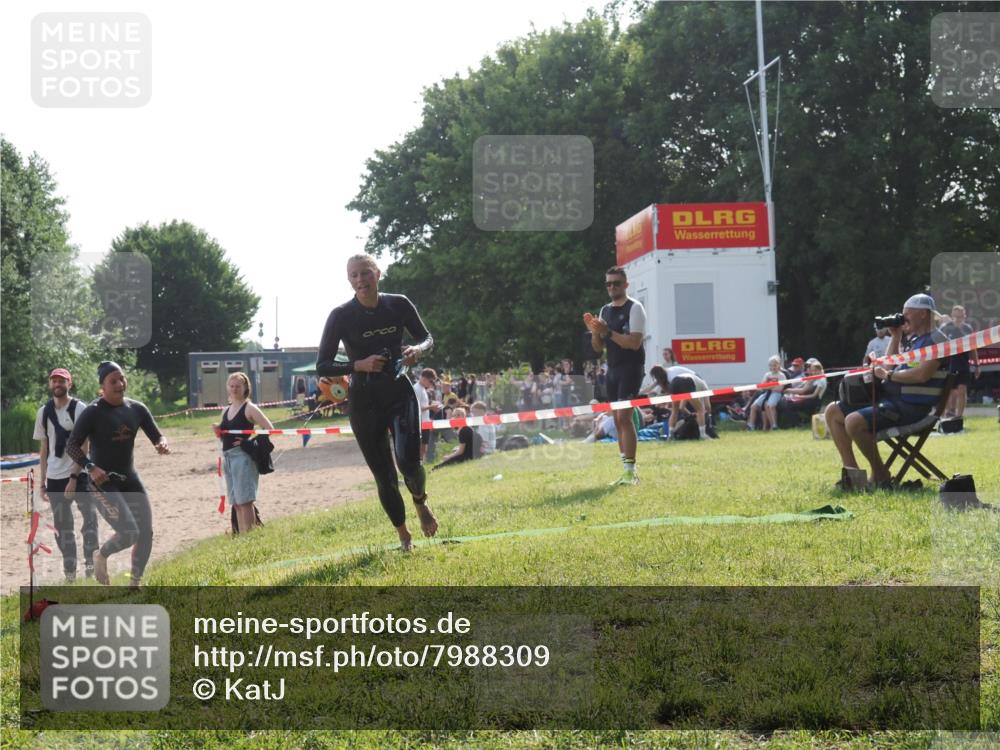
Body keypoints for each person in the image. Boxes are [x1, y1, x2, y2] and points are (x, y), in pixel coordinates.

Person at [316, 253, 437, 552]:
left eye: (365, 273)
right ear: (349, 280)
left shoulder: (398, 304)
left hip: (398, 391)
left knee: (409, 462)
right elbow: (323, 365)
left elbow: (427, 338)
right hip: (364, 401)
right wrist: (359, 364)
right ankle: (404, 536)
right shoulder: (341, 315)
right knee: (384, 477)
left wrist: (417, 351)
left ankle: (420, 501)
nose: (360, 280)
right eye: (354, 275)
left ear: (377, 274)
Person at [824, 293, 950, 488]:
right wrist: (896, 336)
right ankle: (853, 477)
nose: (903, 316)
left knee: (854, 421)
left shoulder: (937, 340)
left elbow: (921, 375)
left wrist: (888, 376)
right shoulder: (915, 340)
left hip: (912, 408)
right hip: (892, 401)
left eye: (907, 313)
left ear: (923, 314)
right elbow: (890, 366)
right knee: (832, 411)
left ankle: (881, 474)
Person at [65, 361, 170, 587]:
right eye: (113, 381)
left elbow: (157, 435)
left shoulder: (137, 409)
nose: (120, 384)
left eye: (122, 378)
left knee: (145, 533)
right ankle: (100, 556)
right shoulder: (93, 412)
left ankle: (135, 583)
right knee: (129, 532)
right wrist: (90, 467)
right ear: (102, 387)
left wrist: (162, 444)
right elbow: (72, 446)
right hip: (102, 482)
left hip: (130, 479)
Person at [33, 368, 98, 582]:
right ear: (50, 384)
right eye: (54, 380)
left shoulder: (80, 409)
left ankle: (91, 564)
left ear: (69, 384)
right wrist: (42, 483)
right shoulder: (43, 412)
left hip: (78, 475)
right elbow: (44, 449)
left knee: (90, 520)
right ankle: (70, 571)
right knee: (62, 527)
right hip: (54, 478)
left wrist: (73, 477)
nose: (57, 384)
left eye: (62, 380)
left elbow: (84, 446)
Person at [584, 265, 646, 485]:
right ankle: (626, 470)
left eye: (616, 283)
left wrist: (607, 332)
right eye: (608, 283)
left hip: (631, 367)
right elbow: (598, 348)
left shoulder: (635, 307)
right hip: (613, 369)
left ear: (626, 285)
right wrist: (595, 332)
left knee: (624, 418)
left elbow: (634, 342)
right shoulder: (605, 310)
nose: (611, 287)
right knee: (616, 420)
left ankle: (631, 471)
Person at [214, 372, 275, 534]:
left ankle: (250, 538)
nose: (234, 389)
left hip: (243, 458)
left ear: (245, 388)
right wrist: (218, 431)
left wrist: (250, 443)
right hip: (228, 458)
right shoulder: (225, 410)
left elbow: (270, 429)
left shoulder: (250, 408)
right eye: (232, 386)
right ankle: (242, 538)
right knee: (236, 502)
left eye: (238, 386)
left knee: (245, 501)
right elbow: (224, 437)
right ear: (228, 387)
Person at [940, 304, 979, 420]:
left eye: (960, 316)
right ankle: (945, 416)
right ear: (952, 316)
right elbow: (938, 347)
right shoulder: (945, 328)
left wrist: (977, 365)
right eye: (956, 316)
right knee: (948, 392)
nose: (958, 319)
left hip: (963, 364)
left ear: (964, 316)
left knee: (962, 390)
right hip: (948, 365)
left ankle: (959, 417)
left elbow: (973, 348)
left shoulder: (968, 329)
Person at [747, 355, 785, 431]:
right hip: (767, 393)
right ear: (769, 366)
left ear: (779, 365)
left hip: (776, 394)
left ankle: (774, 425)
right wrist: (771, 386)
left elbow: (780, 389)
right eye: (771, 365)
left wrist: (768, 386)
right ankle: (751, 426)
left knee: (770, 405)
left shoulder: (781, 375)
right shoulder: (767, 375)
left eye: (775, 365)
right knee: (753, 406)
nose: (773, 367)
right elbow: (761, 386)